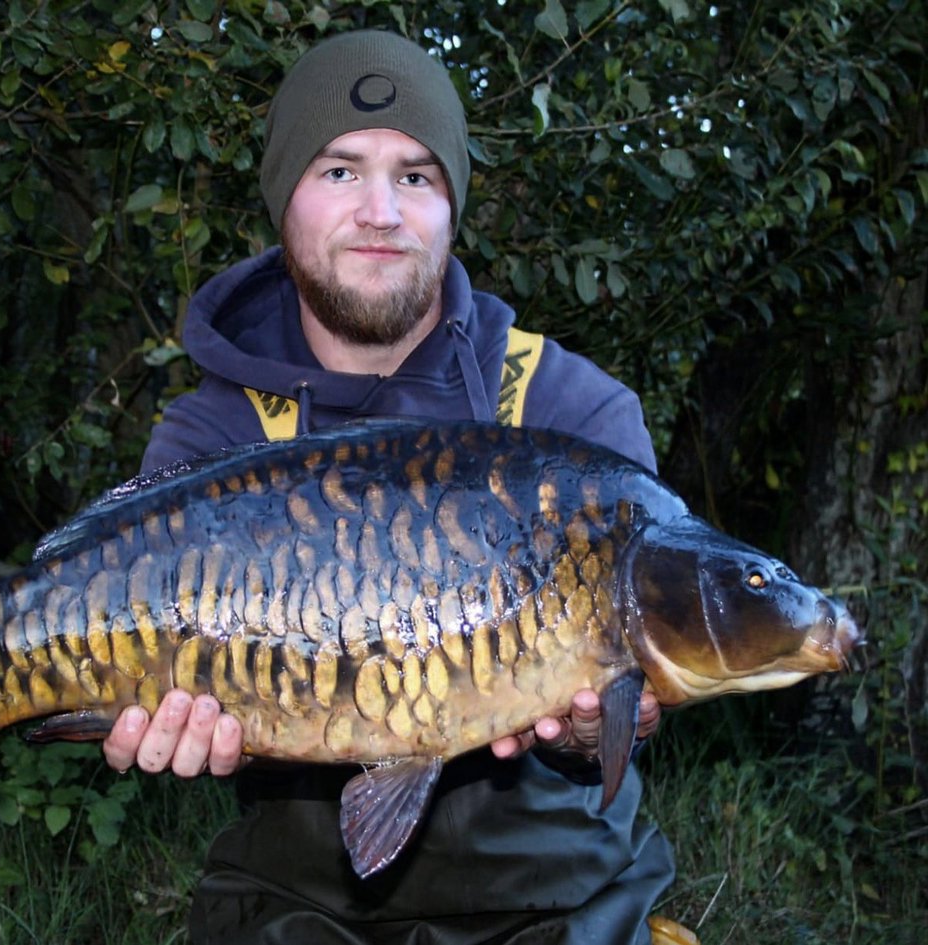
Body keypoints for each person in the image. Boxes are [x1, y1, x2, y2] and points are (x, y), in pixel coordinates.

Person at [101, 30, 683, 945]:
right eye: (340, 170)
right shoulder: (212, 436)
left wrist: (604, 726)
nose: (381, 211)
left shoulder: (568, 412)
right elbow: (138, 655)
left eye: (415, 176)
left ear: (452, 208)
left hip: (561, 897)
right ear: (282, 198)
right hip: (298, 896)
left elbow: (644, 674)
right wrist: (179, 721)